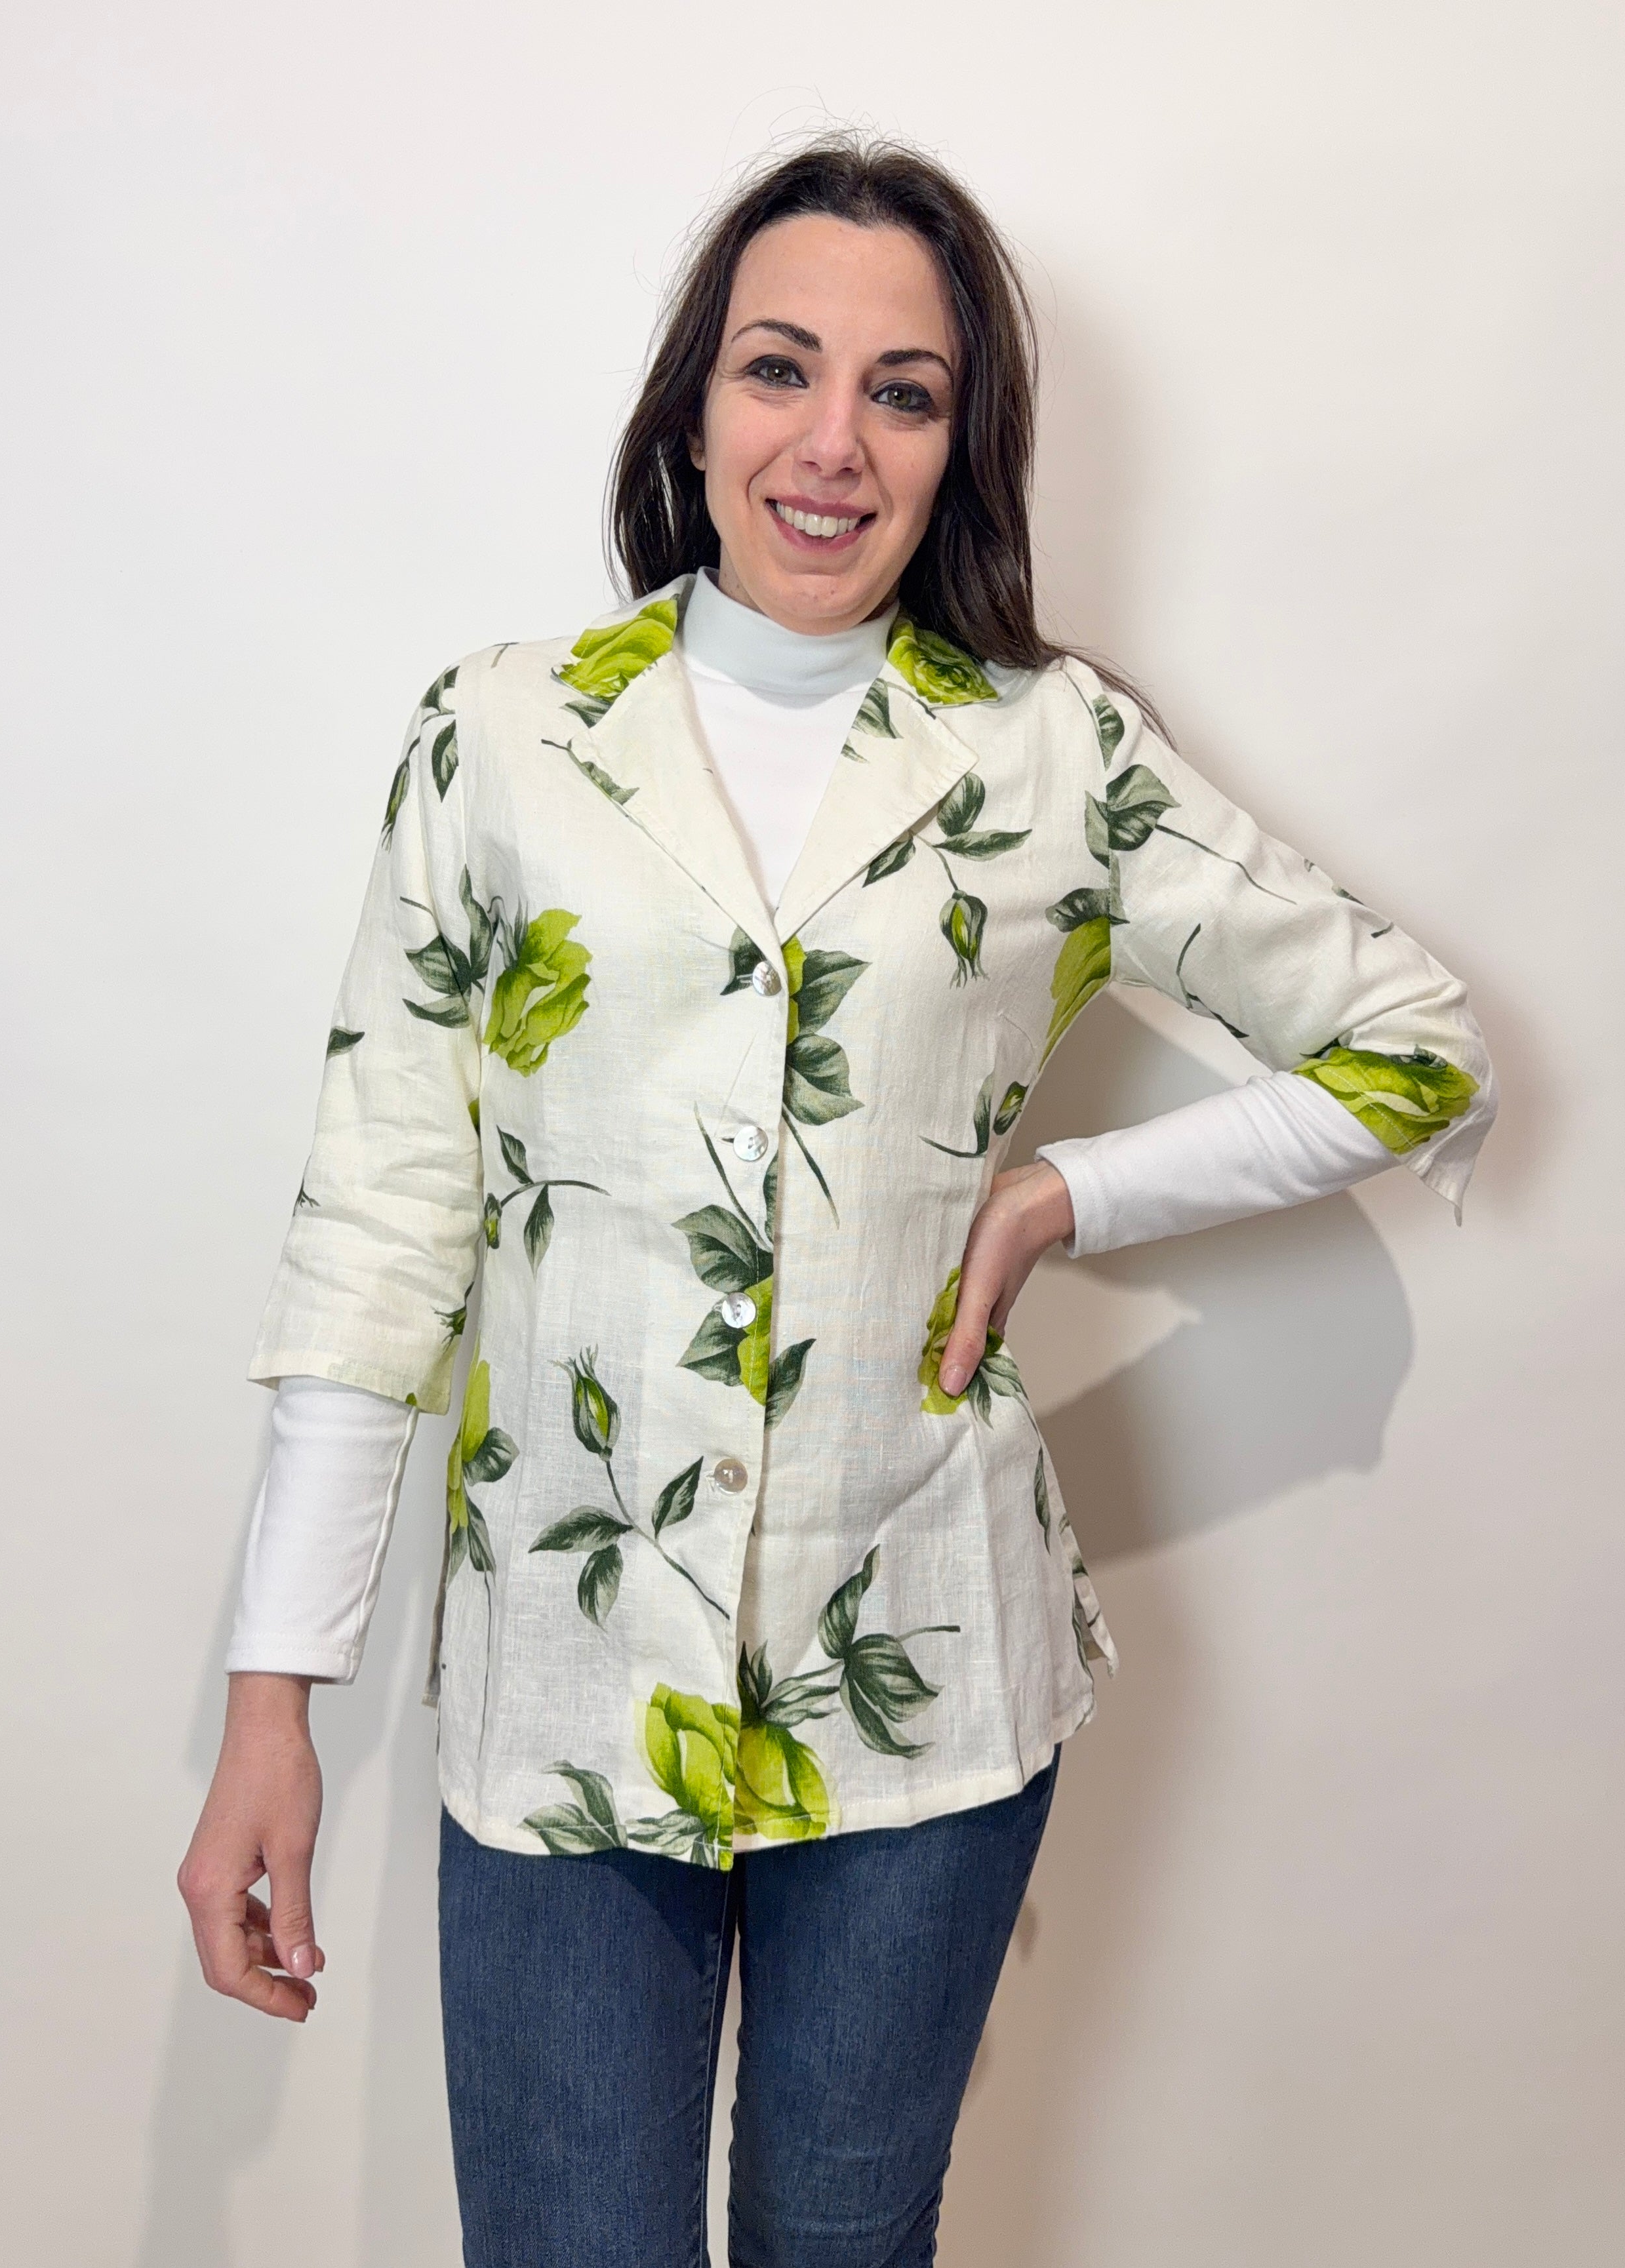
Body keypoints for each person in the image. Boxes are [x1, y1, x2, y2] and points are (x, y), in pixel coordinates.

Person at [178, 133, 1495, 2267]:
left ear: (961, 446)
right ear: (691, 404)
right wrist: (272, 1705)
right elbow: (378, 1230)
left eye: (904, 392)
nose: (830, 443)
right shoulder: (501, 740)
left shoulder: (1053, 752)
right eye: (778, 367)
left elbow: (1411, 1047)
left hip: (922, 1683)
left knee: (844, 2243)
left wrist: (1068, 1189)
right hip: (563, 1690)